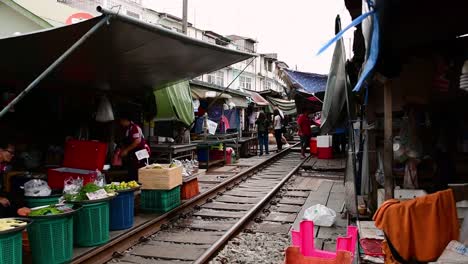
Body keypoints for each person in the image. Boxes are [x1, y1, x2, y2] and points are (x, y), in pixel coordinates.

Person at [118, 113, 150, 182]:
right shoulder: (127, 129)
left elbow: (137, 141)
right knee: (133, 172)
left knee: (141, 172)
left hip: (141, 154)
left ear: (125, 120)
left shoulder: (134, 127)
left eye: (121, 121)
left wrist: (126, 150)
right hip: (134, 155)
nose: (120, 123)